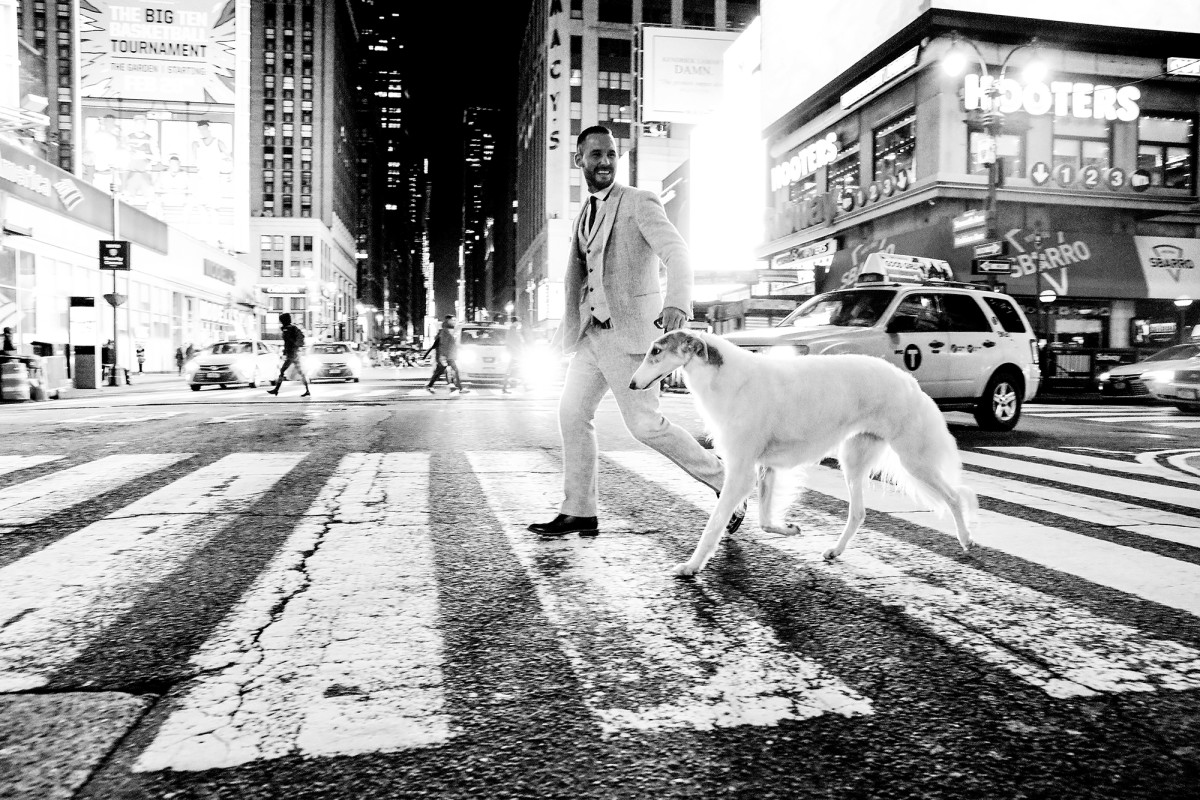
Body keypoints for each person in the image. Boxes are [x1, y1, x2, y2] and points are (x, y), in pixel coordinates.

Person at [527, 125, 744, 539]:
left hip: (630, 337)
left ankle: (725, 481)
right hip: (592, 338)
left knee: (644, 426)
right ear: (580, 161)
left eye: (610, 154)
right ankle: (579, 511)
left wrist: (677, 301)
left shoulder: (639, 202)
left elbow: (677, 251)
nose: (605, 161)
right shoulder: (584, 213)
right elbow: (581, 281)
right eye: (596, 155)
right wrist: (565, 333)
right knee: (572, 414)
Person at [267, 312, 311, 398]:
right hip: (295, 353)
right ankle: (307, 390)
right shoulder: (292, 328)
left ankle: (276, 389)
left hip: (291, 354)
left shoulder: (287, 329)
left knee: (282, 371)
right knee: (301, 372)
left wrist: (285, 352)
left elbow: (287, 342)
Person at [423, 315, 468, 394]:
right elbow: (443, 344)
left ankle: (430, 386)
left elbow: (451, 344)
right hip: (446, 356)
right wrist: (443, 356)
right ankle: (460, 388)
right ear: (448, 321)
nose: (454, 322)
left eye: (455, 320)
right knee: (453, 371)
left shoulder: (449, 331)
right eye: (452, 320)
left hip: (449, 356)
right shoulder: (445, 332)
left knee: (440, 372)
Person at [502, 316, 526, 394]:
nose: (519, 323)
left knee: (516, 370)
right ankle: (525, 386)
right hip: (515, 354)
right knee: (517, 370)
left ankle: (505, 388)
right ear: (515, 322)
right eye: (518, 321)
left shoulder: (514, 330)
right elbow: (512, 342)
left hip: (516, 354)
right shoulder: (512, 330)